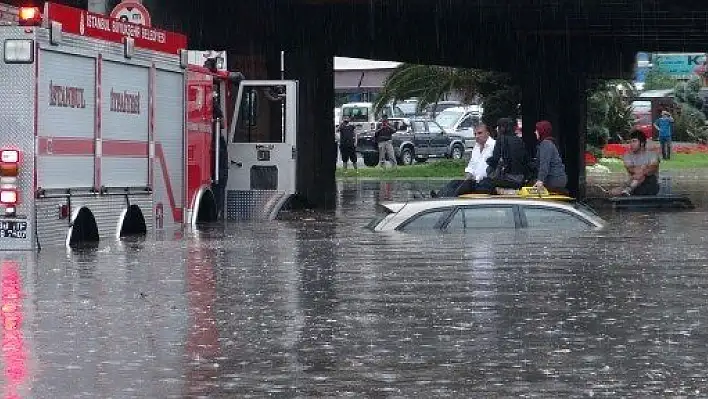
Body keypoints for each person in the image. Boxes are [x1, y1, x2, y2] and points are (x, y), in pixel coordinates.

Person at [430, 123, 496, 197]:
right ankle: (439, 197)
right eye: (475, 134)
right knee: (454, 183)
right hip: (474, 181)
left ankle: (448, 200)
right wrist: (466, 180)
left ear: (487, 133)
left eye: (480, 133)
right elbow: (471, 166)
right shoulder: (476, 147)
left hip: (486, 182)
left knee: (462, 189)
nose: (477, 136)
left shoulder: (494, 146)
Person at [486, 117, 532, 191]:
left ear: (502, 128)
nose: (497, 129)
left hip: (505, 178)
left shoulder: (501, 139)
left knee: (486, 180)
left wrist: (488, 162)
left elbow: (495, 159)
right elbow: (526, 160)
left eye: (498, 127)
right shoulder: (519, 140)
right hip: (519, 178)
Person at [610, 129, 660, 196]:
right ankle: (625, 190)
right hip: (634, 184)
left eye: (634, 141)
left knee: (646, 176)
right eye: (630, 142)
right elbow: (630, 169)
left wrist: (642, 170)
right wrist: (643, 168)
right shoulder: (627, 155)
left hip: (651, 186)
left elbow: (652, 170)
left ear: (642, 143)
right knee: (639, 176)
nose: (631, 144)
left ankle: (626, 190)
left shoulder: (652, 155)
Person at [532, 120, 568, 193]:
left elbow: (544, 164)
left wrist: (540, 180)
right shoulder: (549, 142)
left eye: (537, 130)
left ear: (542, 131)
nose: (535, 132)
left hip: (554, 179)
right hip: (557, 179)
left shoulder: (546, 144)